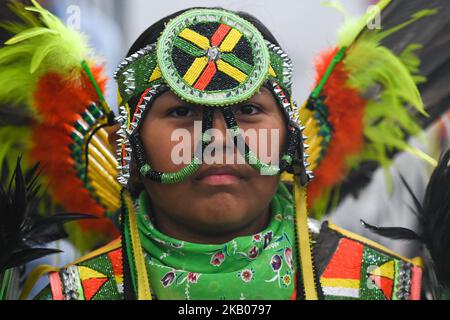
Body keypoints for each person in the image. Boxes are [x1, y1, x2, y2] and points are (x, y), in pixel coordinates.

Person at [1, 1, 449, 300]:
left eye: (250, 109)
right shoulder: (68, 293)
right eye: (182, 113)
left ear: (291, 138)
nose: (217, 138)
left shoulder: (385, 288)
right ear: (131, 148)